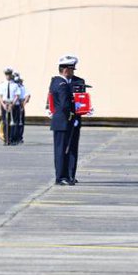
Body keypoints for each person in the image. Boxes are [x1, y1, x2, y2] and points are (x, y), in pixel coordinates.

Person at [49, 57, 81, 185]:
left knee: (64, 150)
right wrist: (72, 114)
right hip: (63, 122)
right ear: (66, 70)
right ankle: (60, 177)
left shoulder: (56, 82)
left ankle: (65, 176)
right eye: (72, 69)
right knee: (61, 151)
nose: (73, 72)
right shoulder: (62, 85)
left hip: (62, 122)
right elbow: (64, 105)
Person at [0, 68, 19, 145]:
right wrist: (3, 105)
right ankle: (6, 139)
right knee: (5, 122)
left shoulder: (15, 85)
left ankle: (11, 138)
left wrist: (12, 104)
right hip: (5, 104)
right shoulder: (2, 85)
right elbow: (0, 96)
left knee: (12, 123)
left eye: (9, 74)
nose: (8, 76)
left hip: (12, 104)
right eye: (7, 75)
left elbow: (17, 95)